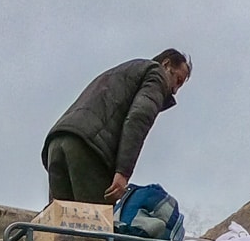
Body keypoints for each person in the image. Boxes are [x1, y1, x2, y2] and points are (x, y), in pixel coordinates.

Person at [43, 49, 191, 205]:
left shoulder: (124, 71)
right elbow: (138, 119)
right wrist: (123, 173)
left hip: (57, 142)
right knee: (97, 222)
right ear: (166, 64)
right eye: (178, 80)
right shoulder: (156, 74)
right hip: (89, 149)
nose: (175, 90)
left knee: (59, 223)